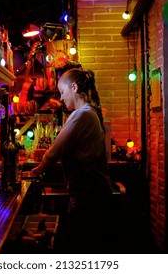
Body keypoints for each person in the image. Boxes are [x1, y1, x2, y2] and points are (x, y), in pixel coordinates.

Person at [31, 68, 116, 254]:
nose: (61, 98)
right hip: (93, 195)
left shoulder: (82, 115)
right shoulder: (89, 112)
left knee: (80, 248)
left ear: (74, 87)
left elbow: (55, 151)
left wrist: (38, 169)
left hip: (89, 198)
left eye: (62, 92)